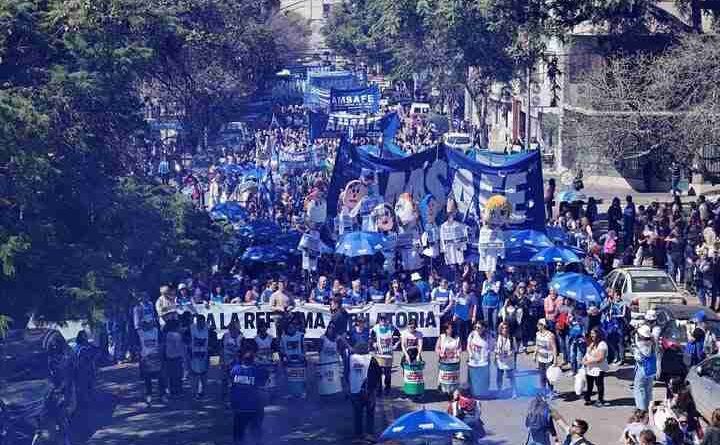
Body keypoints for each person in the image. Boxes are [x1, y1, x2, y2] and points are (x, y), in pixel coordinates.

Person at [230, 348, 268, 445]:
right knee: (256, 432)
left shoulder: (235, 369)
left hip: (238, 408)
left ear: (242, 360)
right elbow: (264, 380)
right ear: (253, 360)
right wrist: (260, 362)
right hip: (254, 408)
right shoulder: (257, 371)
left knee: (238, 435)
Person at [348, 342, 382, 440]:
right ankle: (369, 434)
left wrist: (348, 388)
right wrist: (378, 390)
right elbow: (378, 374)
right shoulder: (371, 359)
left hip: (355, 390)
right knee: (370, 413)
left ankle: (358, 434)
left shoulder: (351, 359)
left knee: (357, 413)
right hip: (369, 391)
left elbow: (346, 373)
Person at [138, 317, 164, 405]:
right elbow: (137, 346)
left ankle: (162, 395)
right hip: (145, 359)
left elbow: (161, 344)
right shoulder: (140, 333)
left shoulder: (157, 332)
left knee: (161, 377)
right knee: (147, 378)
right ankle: (149, 395)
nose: (147, 324)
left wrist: (159, 354)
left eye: (149, 322)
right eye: (145, 323)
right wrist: (141, 356)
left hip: (156, 357)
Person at [583, 327, 609, 407]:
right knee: (589, 384)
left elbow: (600, 358)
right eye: (591, 333)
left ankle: (600, 400)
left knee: (599, 384)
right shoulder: (592, 343)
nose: (592, 335)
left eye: (593, 333)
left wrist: (588, 362)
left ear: (598, 334)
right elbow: (587, 353)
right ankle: (588, 398)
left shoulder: (602, 344)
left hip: (599, 368)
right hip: (590, 368)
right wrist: (584, 359)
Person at [633, 325, 657, 412]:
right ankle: (649, 409)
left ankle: (641, 409)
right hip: (651, 369)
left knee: (639, 389)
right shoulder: (652, 342)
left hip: (642, 368)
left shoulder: (640, 344)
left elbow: (638, 358)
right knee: (648, 389)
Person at [370, 315, 396, 395]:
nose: (383, 321)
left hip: (389, 355)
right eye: (381, 319)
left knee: (387, 373)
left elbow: (399, 336)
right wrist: (373, 343)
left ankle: (387, 388)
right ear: (379, 320)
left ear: (387, 320)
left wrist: (396, 344)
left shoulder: (391, 327)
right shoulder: (376, 328)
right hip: (379, 354)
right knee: (378, 373)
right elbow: (371, 337)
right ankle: (379, 390)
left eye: (384, 319)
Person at [467, 321, 493, 398]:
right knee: (473, 377)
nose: (477, 329)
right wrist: (470, 354)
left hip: (483, 361)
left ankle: (483, 392)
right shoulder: (472, 334)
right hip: (473, 360)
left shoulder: (488, 336)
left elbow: (491, 347)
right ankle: (472, 392)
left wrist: (487, 353)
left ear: (483, 328)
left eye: (479, 327)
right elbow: (468, 345)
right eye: (476, 327)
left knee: (483, 377)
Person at [221, 321, 244, 402]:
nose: (232, 330)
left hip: (237, 362)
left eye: (234, 328)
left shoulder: (241, 337)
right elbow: (221, 349)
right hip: (226, 361)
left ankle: (237, 397)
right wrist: (221, 361)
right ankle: (225, 396)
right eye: (230, 328)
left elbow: (243, 351)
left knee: (236, 381)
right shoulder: (225, 336)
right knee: (225, 380)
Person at [435, 323, 461, 396]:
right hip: (444, 360)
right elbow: (437, 348)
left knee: (453, 376)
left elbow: (459, 348)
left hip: (454, 360)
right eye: (448, 328)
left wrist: (457, 354)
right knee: (443, 375)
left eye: (451, 328)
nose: (450, 330)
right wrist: (440, 353)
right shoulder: (442, 337)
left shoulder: (457, 338)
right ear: (445, 330)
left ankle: (453, 390)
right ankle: (442, 389)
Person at [534, 319, 558, 397]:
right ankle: (543, 392)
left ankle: (551, 392)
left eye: (538, 324)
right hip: (541, 358)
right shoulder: (537, 334)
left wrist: (555, 360)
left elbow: (554, 348)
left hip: (549, 358)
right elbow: (537, 345)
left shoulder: (550, 335)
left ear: (543, 325)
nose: (537, 326)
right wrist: (535, 354)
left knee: (549, 376)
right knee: (542, 376)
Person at [163, 318, 185, 399]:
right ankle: (178, 391)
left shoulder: (166, 334)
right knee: (178, 375)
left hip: (168, 357)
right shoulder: (176, 335)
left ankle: (172, 391)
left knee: (171, 376)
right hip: (177, 357)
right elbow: (179, 347)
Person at [495, 321, 518, 398]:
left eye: (506, 328)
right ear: (500, 329)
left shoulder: (512, 338)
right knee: (499, 377)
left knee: (511, 377)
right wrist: (497, 351)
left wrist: (511, 352)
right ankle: (499, 391)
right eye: (503, 328)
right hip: (500, 360)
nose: (504, 329)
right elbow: (495, 348)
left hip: (509, 361)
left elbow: (515, 349)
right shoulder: (498, 337)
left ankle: (514, 391)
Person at [190, 314, 210, 400]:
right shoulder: (192, 328)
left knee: (203, 375)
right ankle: (194, 393)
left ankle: (202, 392)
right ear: (196, 321)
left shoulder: (208, 329)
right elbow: (186, 339)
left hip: (204, 355)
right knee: (194, 375)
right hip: (193, 356)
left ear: (204, 322)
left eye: (202, 322)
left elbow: (211, 341)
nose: (200, 324)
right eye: (198, 322)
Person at [453, 280, 477, 349]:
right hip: (459, 317)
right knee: (459, 332)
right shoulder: (459, 294)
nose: (465, 287)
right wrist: (455, 314)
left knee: (467, 333)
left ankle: (468, 346)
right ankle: (460, 346)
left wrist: (474, 316)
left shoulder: (472, 295)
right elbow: (456, 305)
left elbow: (475, 306)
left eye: (466, 286)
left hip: (468, 317)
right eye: (464, 286)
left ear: (469, 286)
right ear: (462, 287)